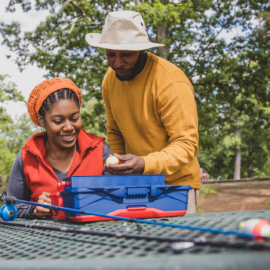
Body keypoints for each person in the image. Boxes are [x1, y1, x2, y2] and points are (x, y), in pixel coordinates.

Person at [86, 11, 201, 213]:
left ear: (140, 50)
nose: (117, 63)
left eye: (126, 54)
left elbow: (186, 145)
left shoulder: (170, 82)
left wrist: (145, 164)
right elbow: (115, 131)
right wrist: (115, 168)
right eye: (110, 54)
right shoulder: (109, 80)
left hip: (176, 186)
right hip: (134, 186)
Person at [8, 78, 113, 218]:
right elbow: (11, 207)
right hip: (42, 238)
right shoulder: (26, 157)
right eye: (58, 121)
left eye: (74, 118)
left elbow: (117, 200)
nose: (69, 127)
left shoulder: (100, 151)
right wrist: (33, 210)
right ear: (41, 120)